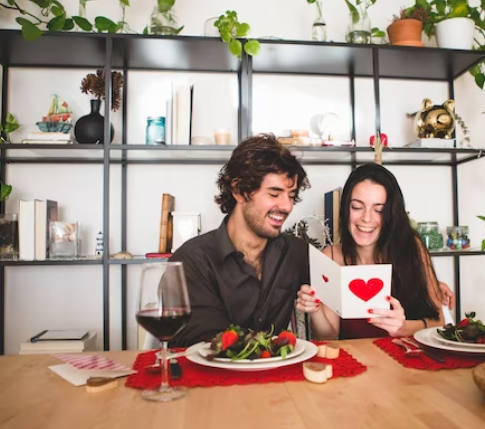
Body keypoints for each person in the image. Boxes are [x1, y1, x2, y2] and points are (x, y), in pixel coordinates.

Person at [168, 134, 311, 347]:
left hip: (275, 377)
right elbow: (207, 342)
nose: (287, 206)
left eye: (291, 195)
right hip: (213, 378)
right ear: (239, 191)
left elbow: (333, 313)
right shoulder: (190, 262)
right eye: (274, 194)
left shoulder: (298, 253)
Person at [296, 163, 453, 340]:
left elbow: (438, 321)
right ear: (346, 209)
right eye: (357, 207)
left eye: (379, 210)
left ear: (391, 214)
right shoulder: (330, 257)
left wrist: (404, 328)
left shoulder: (412, 248)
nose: (366, 218)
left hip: (405, 361)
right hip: (355, 362)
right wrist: (315, 310)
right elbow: (328, 337)